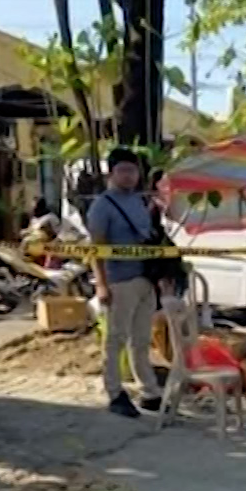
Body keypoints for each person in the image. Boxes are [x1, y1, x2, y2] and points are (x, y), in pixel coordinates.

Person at [86, 148, 164, 418]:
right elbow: (96, 247)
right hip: (119, 280)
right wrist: (101, 284)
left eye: (133, 170)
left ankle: (149, 392)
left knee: (141, 339)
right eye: (123, 170)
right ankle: (115, 392)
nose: (129, 175)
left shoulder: (139, 202)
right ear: (112, 172)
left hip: (144, 278)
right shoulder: (102, 206)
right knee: (115, 339)